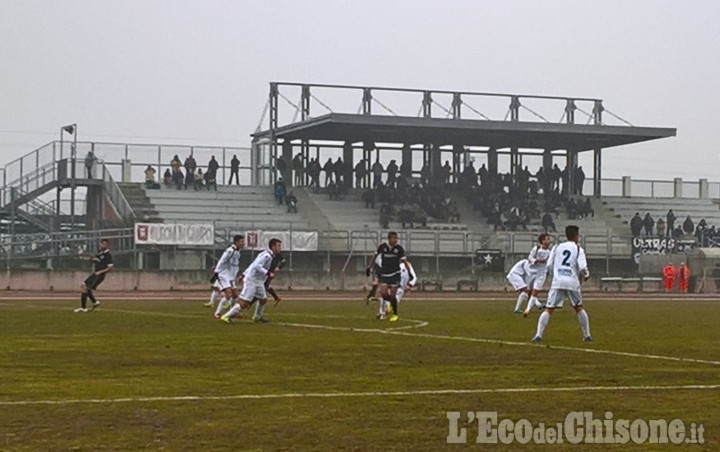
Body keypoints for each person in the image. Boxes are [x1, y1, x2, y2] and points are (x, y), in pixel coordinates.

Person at [532, 225, 592, 343]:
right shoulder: (578, 249)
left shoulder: (556, 247)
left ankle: (538, 335)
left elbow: (549, 265)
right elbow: (583, 267)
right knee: (579, 308)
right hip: (572, 282)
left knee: (549, 310)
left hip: (558, 282)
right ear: (576, 236)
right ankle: (587, 335)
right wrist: (586, 274)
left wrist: (555, 276)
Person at [221, 238, 283, 323]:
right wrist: (268, 273)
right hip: (252, 281)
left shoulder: (268, 255)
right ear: (273, 247)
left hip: (259, 281)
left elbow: (253, 264)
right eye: (278, 246)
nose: (280, 248)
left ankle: (257, 316)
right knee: (244, 303)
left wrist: (244, 274)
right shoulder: (267, 256)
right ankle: (226, 316)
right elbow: (256, 266)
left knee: (263, 299)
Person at [366, 232, 411, 322]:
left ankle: (395, 314)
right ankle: (392, 303)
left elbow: (405, 261)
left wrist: (409, 273)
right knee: (383, 293)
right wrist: (369, 267)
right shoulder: (382, 247)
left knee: (393, 294)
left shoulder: (399, 249)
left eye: (396, 238)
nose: (396, 240)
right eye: (394, 238)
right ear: (389, 239)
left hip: (395, 274)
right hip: (385, 274)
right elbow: (374, 256)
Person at [212, 235, 245, 319]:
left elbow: (235, 265)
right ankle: (217, 313)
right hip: (223, 274)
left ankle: (232, 312)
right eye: (241, 241)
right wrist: (216, 271)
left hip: (230, 276)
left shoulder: (237, 252)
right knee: (229, 294)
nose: (243, 243)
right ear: (236, 242)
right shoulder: (230, 251)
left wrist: (239, 273)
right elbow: (222, 260)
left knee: (235, 295)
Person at [75, 238, 113, 312]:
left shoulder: (108, 255)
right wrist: (91, 259)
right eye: (102, 244)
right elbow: (96, 260)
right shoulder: (99, 253)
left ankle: (83, 308)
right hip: (95, 274)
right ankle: (95, 302)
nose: (103, 245)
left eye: (105, 244)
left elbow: (110, 268)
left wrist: (101, 272)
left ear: (107, 245)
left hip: (99, 275)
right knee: (86, 288)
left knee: (84, 287)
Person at [523, 233, 551, 317]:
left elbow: (549, 263)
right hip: (532, 272)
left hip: (541, 274)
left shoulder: (549, 252)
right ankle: (535, 304)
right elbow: (530, 258)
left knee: (535, 292)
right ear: (542, 240)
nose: (549, 241)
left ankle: (527, 310)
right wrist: (537, 260)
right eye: (547, 239)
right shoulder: (536, 249)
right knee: (529, 291)